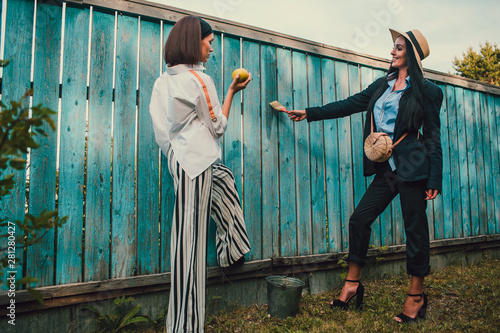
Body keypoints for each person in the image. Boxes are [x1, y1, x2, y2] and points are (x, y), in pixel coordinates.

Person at [287, 28, 443, 323]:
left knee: (416, 231)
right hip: (386, 170)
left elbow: (433, 136)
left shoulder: (428, 91)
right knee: (360, 219)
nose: (392, 52)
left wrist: (435, 178)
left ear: (410, 54)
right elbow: (349, 104)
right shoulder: (382, 85)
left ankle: (416, 296)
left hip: (413, 168)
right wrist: (308, 112)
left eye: (398, 48)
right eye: (393, 47)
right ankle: (352, 284)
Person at [149, 15, 252, 333]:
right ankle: (185, 327)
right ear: (195, 42)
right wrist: (233, 91)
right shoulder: (198, 80)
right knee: (188, 248)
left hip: (179, 161)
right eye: (209, 43)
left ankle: (232, 247)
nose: (212, 48)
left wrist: (174, 155)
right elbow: (217, 127)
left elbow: (160, 130)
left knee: (223, 181)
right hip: (196, 164)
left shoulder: (163, 80)